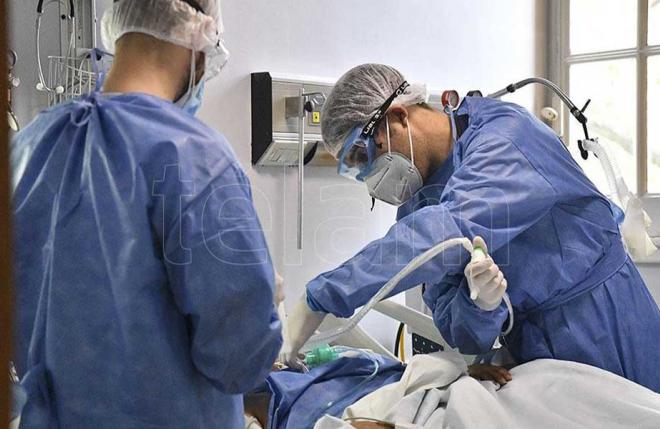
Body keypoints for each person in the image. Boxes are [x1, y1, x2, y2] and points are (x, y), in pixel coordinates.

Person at [285, 63, 660, 392]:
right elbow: (462, 333)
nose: (370, 176)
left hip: (603, 321)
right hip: (532, 350)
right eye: (355, 169)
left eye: (364, 154)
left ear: (398, 116)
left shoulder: (507, 138)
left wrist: (320, 297)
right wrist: (480, 305)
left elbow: (447, 230)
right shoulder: (420, 204)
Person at [11, 0, 282, 427]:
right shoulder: (194, 158)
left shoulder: (26, 149)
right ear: (199, 39)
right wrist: (265, 306)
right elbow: (239, 359)